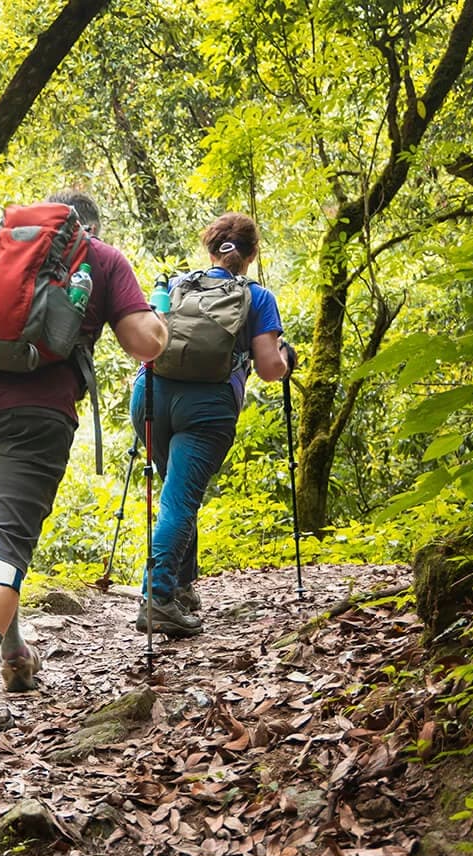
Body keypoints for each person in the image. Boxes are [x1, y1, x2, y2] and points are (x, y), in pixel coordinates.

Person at [0, 190, 169, 739]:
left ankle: (14, 657)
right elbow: (143, 342)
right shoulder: (101, 259)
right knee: (6, 543)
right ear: (88, 227)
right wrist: (161, 322)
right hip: (37, 410)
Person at [131, 211, 294, 638]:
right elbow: (270, 368)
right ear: (251, 254)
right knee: (180, 499)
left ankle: (181, 587)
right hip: (208, 406)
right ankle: (159, 597)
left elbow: (144, 343)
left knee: (175, 492)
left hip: (149, 396)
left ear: (210, 247)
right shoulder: (257, 298)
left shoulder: (173, 286)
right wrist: (287, 357)